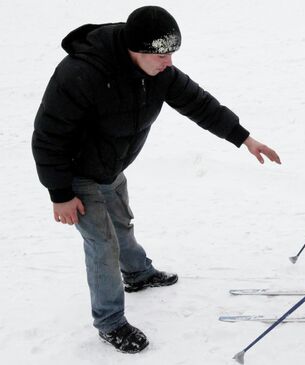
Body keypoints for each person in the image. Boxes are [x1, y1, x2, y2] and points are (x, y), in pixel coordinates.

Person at [32, 6, 281, 353]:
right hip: (75, 172)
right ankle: (110, 322)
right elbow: (48, 136)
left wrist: (244, 138)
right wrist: (59, 194)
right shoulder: (81, 73)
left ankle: (136, 273)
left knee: (122, 223)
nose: (169, 62)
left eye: (172, 53)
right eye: (162, 55)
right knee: (102, 245)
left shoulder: (157, 70)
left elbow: (199, 103)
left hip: (111, 165)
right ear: (136, 49)